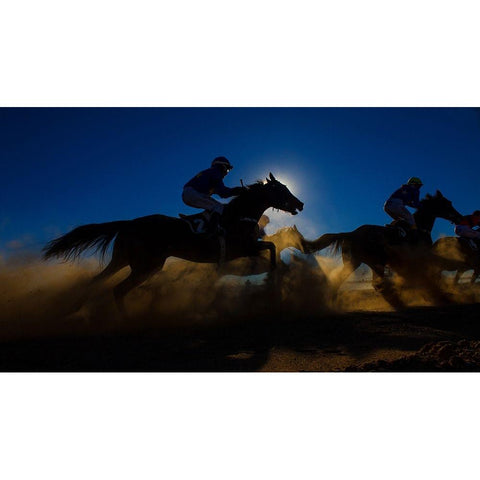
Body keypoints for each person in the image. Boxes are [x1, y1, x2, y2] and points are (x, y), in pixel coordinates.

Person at [182, 156, 244, 233]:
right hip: (192, 193)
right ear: (222, 167)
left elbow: (220, 192)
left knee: (211, 207)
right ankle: (212, 232)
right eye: (227, 170)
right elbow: (223, 193)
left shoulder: (210, 173)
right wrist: (238, 190)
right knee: (219, 207)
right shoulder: (216, 172)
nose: (227, 173)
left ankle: (197, 222)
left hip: (189, 193)